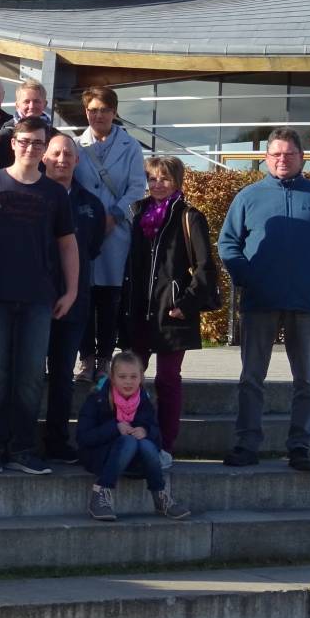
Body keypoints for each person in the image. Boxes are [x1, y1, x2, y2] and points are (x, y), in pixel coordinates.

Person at [218, 128, 310, 470]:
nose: (282, 160)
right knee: (251, 378)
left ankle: (300, 447)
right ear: (266, 158)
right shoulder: (248, 196)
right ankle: (247, 444)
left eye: (289, 154)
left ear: (301, 157)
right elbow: (228, 243)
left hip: (305, 303)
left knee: (306, 380)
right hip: (259, 301)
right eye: (276, 154)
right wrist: (247, 278)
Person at [0, 115, 78, 475]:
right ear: (13, 143)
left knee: (30, 374)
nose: (31, 148)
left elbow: (68, 245)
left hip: (38, 297)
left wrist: (72, 290)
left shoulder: (55, 193)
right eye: (25, 141)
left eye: (38, 143)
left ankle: (23, 449)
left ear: (45, 149)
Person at [116, 156, 217, 456]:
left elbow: (205, 267)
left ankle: (164, 445)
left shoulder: (189, 216)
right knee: (128, 378)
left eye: (165, 178)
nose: (157, 184)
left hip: (172, 311)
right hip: (138, 310)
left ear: (177, 181)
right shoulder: (138, 213)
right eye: (152, 178)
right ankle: (128, 437)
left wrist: (185, 303)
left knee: (168, 380)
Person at [40, 134, 108, 463]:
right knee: (24, 374)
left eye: (68, 154)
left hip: (74, 302)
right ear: (44, 157)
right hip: (33, 300)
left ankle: (56, 439)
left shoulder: (91, 205)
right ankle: (20, 438)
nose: (62, 159)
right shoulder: (31, 195)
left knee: (63, 376)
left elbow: (91, 248)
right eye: (55, 154)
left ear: (77, 161)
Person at [73, 85, 147, 382]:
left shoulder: (131, 147)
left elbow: (136, 187)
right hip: (84, 230)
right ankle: (85, 360)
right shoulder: (76, 146)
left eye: (104, 110)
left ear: (114, 112)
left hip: (116, 232)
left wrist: (114, 215)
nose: (98, 115)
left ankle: (104, 360)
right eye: (93, 110)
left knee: (109, 298)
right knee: (83, 296)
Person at [78, 352, 189, 522]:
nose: (128, 381)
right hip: (100, 457)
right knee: (128, 441)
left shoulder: (144, 399)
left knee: (145, 444)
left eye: (133, 376)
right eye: (122, 377)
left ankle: (160, 495)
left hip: (136, 461)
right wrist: (115, 428)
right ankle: (100, 493)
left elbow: (157, 438)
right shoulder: (97, 398)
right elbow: (84, 438)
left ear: (141, 378)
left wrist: (145, 431)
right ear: (112, 378)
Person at [0, 79, 57, 170]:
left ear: (45, 104)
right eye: (26, 101)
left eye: (36, 101)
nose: (31, 106)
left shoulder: (54, 136)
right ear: (17, 105)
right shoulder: (5, 136)